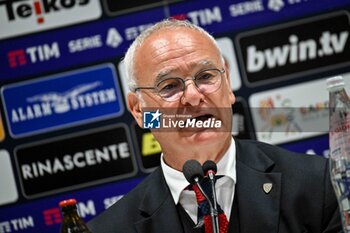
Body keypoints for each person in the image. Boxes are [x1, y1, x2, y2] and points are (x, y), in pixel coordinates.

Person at [88, 19, 342, 233]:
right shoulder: (109, 229)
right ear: (139, 110)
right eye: (169, 86)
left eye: (206, 77)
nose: (193, 96)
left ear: (228, 85)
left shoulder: (318, 185)